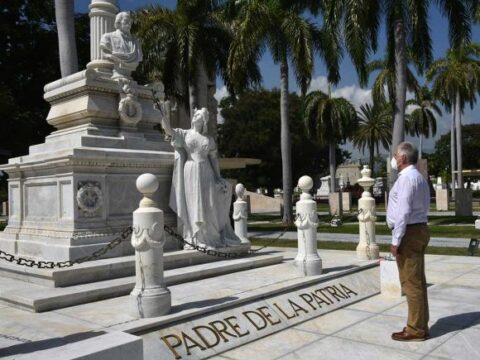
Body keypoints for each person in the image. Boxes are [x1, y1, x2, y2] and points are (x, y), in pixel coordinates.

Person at [161, 107, 242, 249]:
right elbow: (169, 131)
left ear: (203, 120)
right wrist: (162, 114)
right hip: (191, 170)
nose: (195, 116)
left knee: (208, 205)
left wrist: (218, 177)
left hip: (207, 172)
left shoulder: (208, 140)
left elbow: (214, 160)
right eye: (195, 114)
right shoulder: (185, 134)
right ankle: (196, 238)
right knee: (194, 205)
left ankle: (209, 238)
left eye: (198, 115)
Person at [387, 142, 430, 341]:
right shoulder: (419, 178)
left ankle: (415, 329)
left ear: (403, 158)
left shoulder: (406, 179)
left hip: (409, 233)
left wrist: (396, 240)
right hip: (419, 228)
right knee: (418, 281)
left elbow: (403, 212)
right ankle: (420, 325)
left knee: (410, 283)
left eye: (396, 155)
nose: (394, 159)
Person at [100, 12, 143, 79]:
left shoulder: (136, 42)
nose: (129, 24)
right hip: (117, 74)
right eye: (126, 21)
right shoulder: (108, 37)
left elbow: (140, 57)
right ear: (118, 23)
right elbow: (106, 51)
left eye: (130, 22)